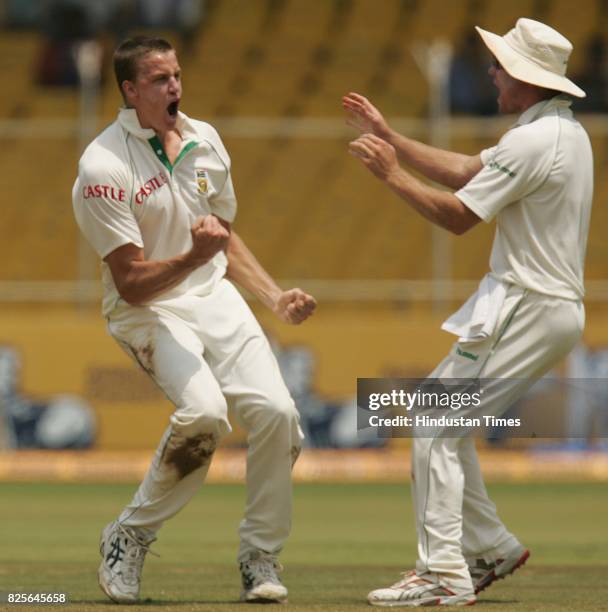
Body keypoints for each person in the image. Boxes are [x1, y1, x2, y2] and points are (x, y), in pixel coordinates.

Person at [343, 18, 591, 607]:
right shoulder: (560, 132)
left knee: (432, 422)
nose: (492, 73)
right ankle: (490, 548)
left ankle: (444, 574)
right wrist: (393, 137)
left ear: (527, 81)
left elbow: (458, 215)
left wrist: (390, 173)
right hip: (542, 305)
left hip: (528, 304)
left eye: (501, 66)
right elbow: (468, 172)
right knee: (444, 425)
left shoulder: (533, 141)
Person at [72, 36, 316, 605]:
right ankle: (128, 536)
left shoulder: (205, 140)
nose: (174, 86)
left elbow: (221, 237)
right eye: (158, 80)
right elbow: (130, 281)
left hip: (214, 294)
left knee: (278, 413)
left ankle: (260, 556)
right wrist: (192, 258)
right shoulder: (102, 164)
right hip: (149, 308)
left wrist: (274, 296)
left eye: (176, 75)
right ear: (130, 91)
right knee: (204, 413)